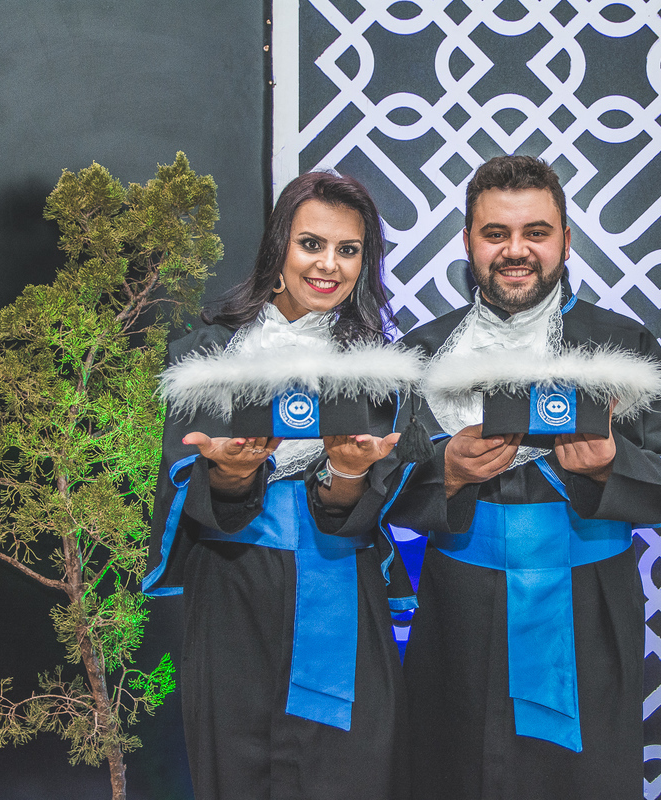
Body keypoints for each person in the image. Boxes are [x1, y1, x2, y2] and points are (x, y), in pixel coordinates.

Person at [388, 155, 661, 800]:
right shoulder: (421, 352)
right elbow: (375, 485)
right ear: (468, 242)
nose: (516, 250)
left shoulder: (624, 345)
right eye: (495, 233)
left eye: (536, 232)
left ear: (565, 240)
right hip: (457, 606)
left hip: (589, 608)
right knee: (453, 775)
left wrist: (612, 465)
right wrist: (445, 472)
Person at [143, 171, 413, 799]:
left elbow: (369, 504)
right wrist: (230, 475)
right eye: (311, 244)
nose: (328, 265)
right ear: (278, 249)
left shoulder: (380, 370)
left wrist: (349, 472)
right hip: (232, 591)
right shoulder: (204, 357)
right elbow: (185, 492)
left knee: (348, 775)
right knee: (237, 773)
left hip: (342, 588)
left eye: (348, 250)